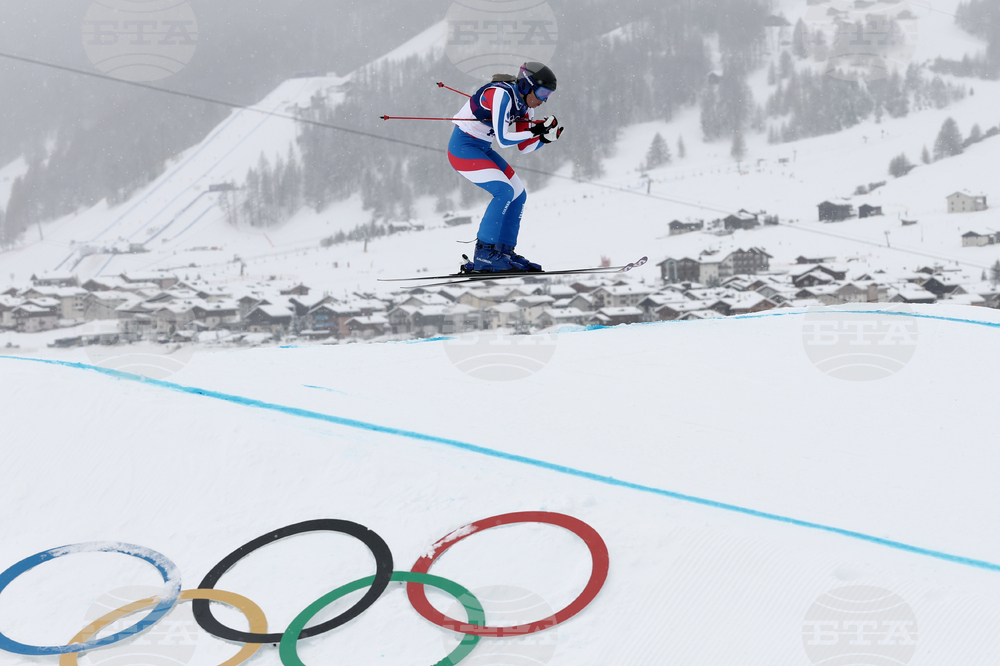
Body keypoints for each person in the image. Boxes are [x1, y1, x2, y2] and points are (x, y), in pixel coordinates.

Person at [448, 62, 563, 273]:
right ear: (528, 86)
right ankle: (484, 255)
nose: (545, 99)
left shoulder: (525, 106)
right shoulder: (502, 94)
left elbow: (524, 147)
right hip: (462, 148)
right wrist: (536, 129)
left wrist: (544, 138)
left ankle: (503, 252)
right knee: (504, 191)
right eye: (543, 92)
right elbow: (503, 139)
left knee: (518, 194)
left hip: (481, 148)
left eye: (550, 95)